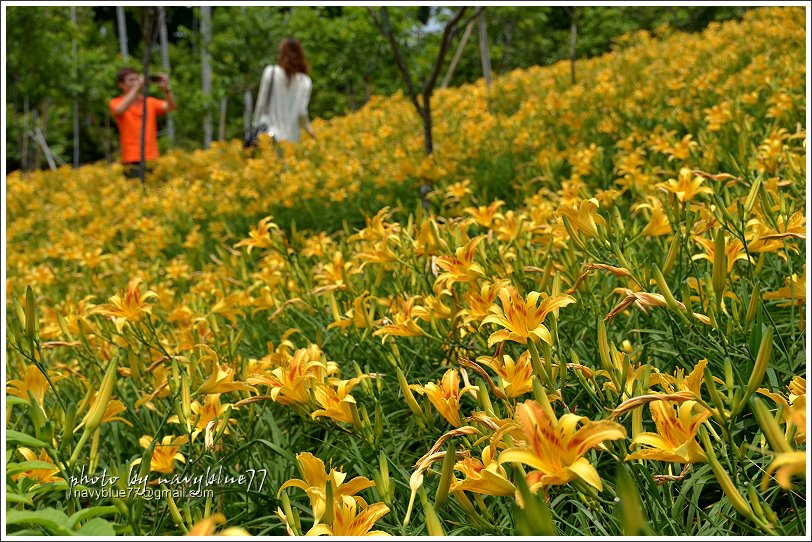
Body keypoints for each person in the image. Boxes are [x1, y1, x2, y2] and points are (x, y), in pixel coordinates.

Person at [109, 67, 175, 179]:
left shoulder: (149, 102)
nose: (136, 82)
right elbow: (119, 110)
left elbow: (170, 106)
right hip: (131, 158)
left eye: (137, 79)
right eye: (131, 80)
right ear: (121, 85)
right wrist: (137, 87)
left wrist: (166, 90)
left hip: (151, 157)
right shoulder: (116, 102)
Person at [253, 38, 315, 144]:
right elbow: (301, 113)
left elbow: (261, 105)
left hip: (269, 137)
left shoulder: (270, 72)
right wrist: (310, 132)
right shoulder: (305, 81)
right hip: (292, 141)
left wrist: (255, 126)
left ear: (282, 54)